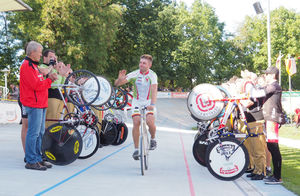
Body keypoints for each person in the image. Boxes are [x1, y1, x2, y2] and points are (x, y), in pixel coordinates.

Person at [19, 41, 58, 171]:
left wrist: (48, 77)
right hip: (34, 103)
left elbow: (40, 81)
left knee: (40, 132)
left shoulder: (34, 66)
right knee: (33, 133)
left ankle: (38, 158)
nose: (41, 55)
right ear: (32, 52)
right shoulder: (27, 66)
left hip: (40, 103)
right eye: (40, 52)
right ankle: (31, 160)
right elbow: (36, 85)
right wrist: (50, 80)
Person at [115, 54, 158, 160]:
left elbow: (154, 90)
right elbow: (117, 84)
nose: (141, 65)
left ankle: (153, 138)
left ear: (149, 65)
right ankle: (136, 149)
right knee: (136, 122)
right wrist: (119, 80)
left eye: (144, 63)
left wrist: (152, 104)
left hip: (148, 102)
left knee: (150, 122)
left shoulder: (152, 75)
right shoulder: (134, 74)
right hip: (136, 102)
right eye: (140, 62)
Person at [251, 66, 285, 184]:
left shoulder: (274, 86)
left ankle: (277, 177)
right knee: (271, 146)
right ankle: (275, 175)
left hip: (272, 118)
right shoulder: (271, 86)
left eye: (267, 74)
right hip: (269, 118)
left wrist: (251, 86)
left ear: (272, 75)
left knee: (273, 147)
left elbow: (258, 93)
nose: (265, 76)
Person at [39, 49, 72, 128]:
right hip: (49, 94)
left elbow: (61, 84)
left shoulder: (56, 68)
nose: (53, 59)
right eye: (51, 57)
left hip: (59, 95)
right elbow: (52, 82)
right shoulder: (42, 67)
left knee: (57, 119)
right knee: (50, 119)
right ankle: (47, 137)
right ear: (44, 58)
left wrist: (64, 74)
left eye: (54, 58)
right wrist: (56, 70)